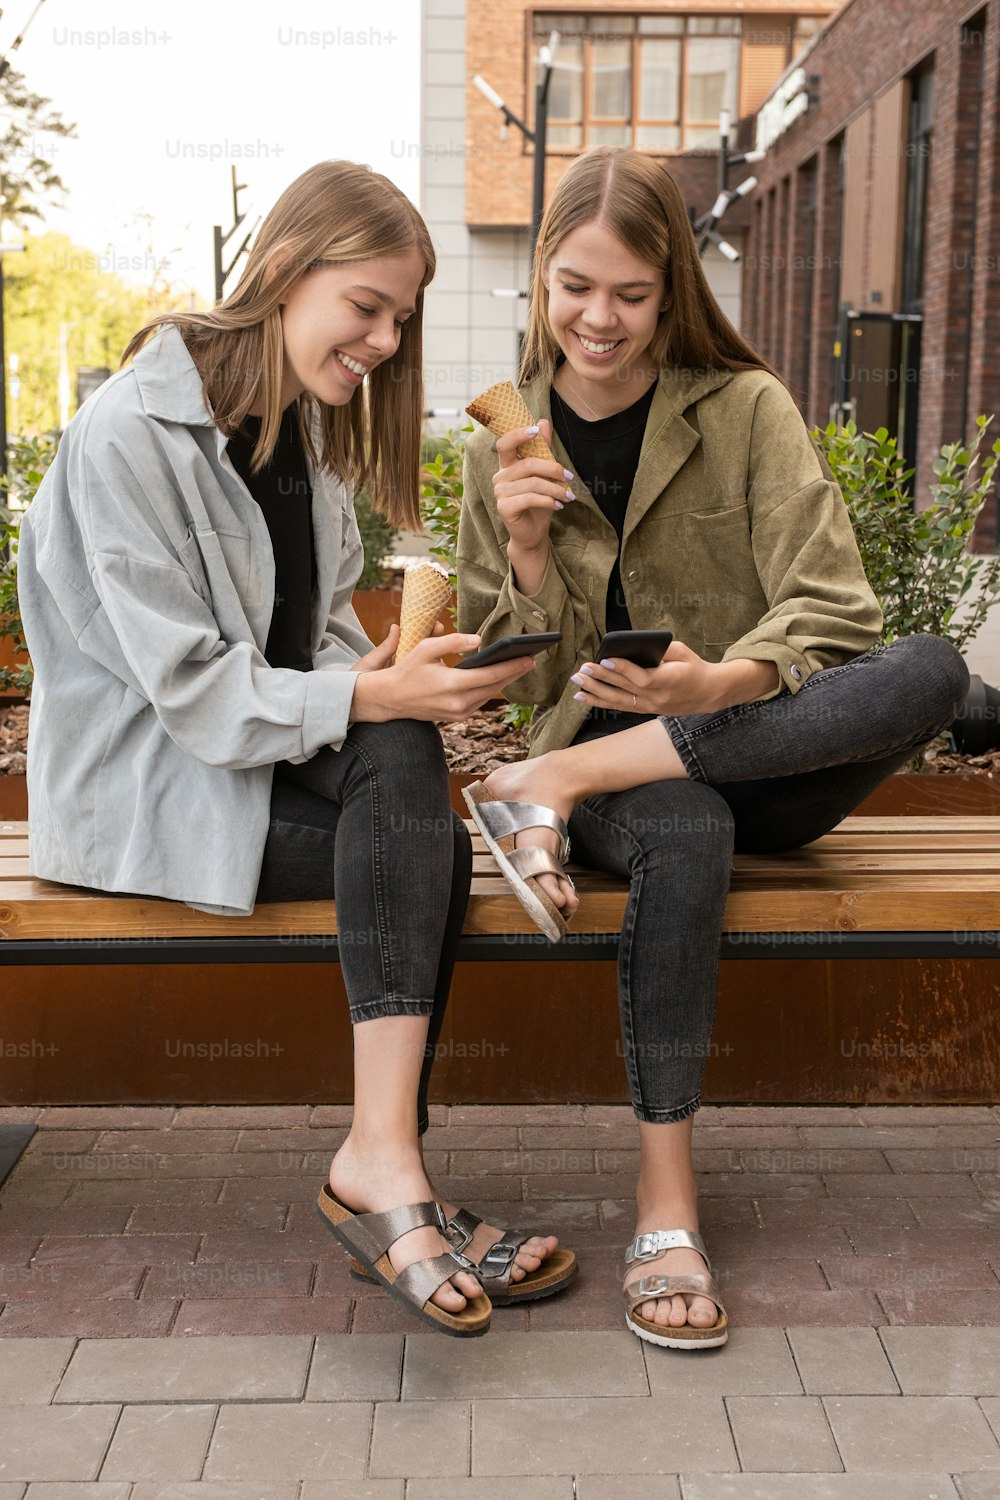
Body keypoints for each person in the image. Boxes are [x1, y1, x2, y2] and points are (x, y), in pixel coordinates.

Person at [17, 159, 577, 1339]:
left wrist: (399, 677)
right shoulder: (130, 432)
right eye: (366, 305)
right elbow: (195, 693)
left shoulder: (307, 442)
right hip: (154, 791)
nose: (383, 338)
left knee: (409, 787)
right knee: (416, 837)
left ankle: (385, 1161)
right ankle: (392, 1172)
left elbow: (319, 654)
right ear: (282, 273)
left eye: (400, 318)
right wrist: (374, 699)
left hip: (256, 773)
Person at [457, 146, 970, 1350]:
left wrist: (720, 678)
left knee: (931, 666)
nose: (598, 318)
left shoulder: (743, 407)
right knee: (686, 825)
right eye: (574, 285)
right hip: (631, 790)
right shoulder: (500, 444)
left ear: (671, 286)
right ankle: (667, 1202)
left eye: (630, 294)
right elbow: (502, 673)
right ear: (540, 275)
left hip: (757, 743)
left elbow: (837, 607)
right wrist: (526, 558)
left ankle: (549, 785)